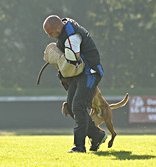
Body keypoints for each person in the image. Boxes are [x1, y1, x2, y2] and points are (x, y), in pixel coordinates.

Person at [43, 15, 107, 153]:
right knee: (71, 108)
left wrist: (61, 62)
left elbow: (74, 58)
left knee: (78, 106)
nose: (49, 36)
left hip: (90, 71)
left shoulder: (72, 36)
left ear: (58, 27)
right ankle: (97, 136)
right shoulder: (64, 30)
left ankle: (79, 146)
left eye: (50, 33)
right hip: (79, 73)